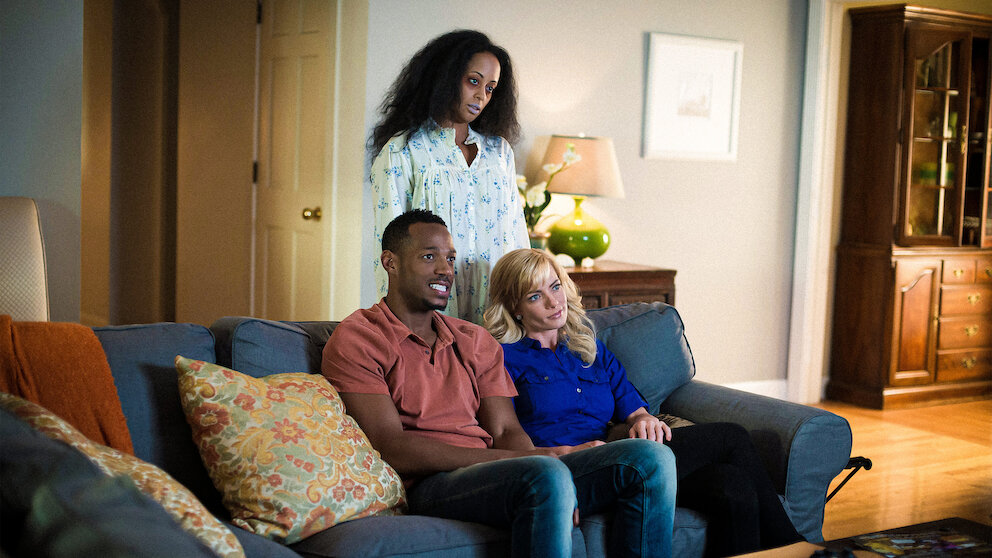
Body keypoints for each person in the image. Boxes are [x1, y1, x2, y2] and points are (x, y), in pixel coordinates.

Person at [322, 210, 676, 558]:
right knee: (546, 475)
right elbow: (391, 445)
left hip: (500, 471)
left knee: (650, 458)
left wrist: (538, 462)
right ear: (391, 262)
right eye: (429, 257)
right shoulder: (361, 338)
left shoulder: (473, 339)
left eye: (450, 258)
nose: (445, 269)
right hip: (432, 482)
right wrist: (535, 463)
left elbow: (506, 429)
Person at [484, 248, 805, 558]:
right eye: (535, 296)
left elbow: (632, 407)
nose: (554, 301)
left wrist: (642, 419)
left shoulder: (588, 347)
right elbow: (506, 434)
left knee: (732, 486)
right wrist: (551, 477)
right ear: (515, 308)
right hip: (568, 468)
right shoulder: (502, 357)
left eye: (555, 287)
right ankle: (798, 547)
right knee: (730, 437)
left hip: (618, 456)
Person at [368, 30, 529, 324]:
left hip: (497, 311)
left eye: (491, 88)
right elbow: (390, 251)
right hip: (432, 314)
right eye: (473, 81)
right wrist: (400, 327)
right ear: (445, 77)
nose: (481, 96)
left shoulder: (499, 153)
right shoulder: (403, 152)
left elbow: (518, 240)